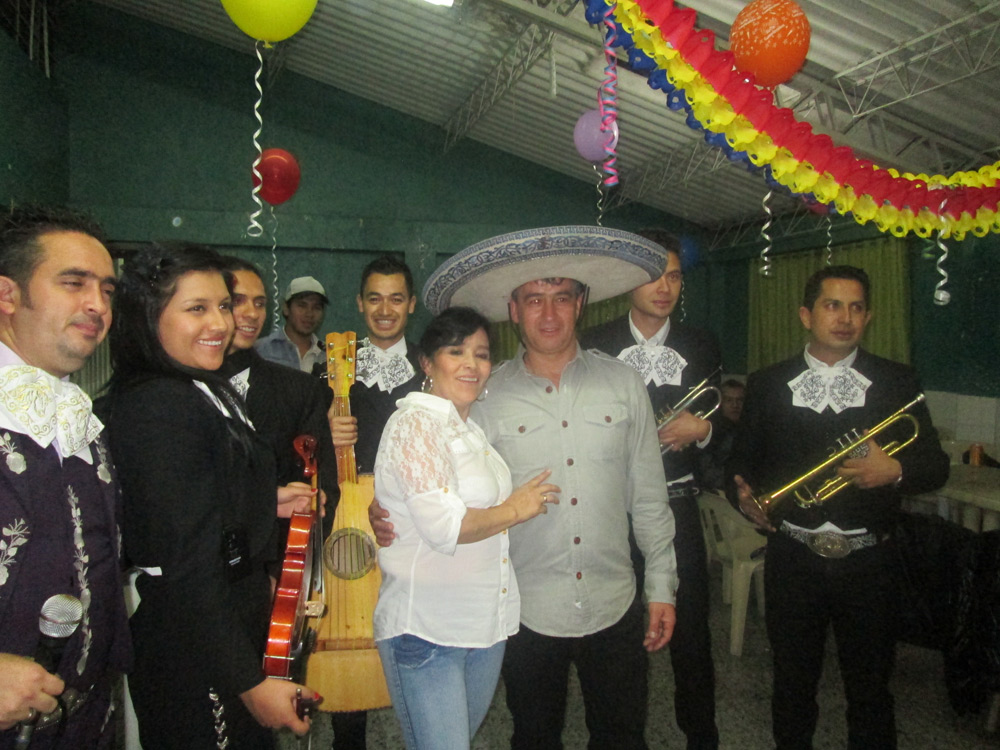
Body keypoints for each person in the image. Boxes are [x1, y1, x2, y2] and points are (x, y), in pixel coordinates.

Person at [380, 225, 681, 748]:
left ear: (580, 303)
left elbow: (650, 497)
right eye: (534, 299)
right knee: (534, 736)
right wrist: (386, 513)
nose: (548, 314)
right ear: (513, 310)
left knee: (622, 736)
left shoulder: (624, 384)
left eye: (561, 297)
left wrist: (662, 585)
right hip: (526, 609)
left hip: (614, 601)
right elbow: (429, 473)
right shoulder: (484, 394)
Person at [727, 264, 949, 749]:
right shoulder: (767, 382)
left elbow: (936, 466)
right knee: (791, 687)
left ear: (868, 317)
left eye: (855, 308)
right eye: (832, 305)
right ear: (807, 315)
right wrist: (743, 498)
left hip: (871, 561)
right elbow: (738, 463)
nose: (844, 317)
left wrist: (893, 471)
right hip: (793, 558)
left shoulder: (896, 379)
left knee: (871, 692)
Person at [104, 243, 316, 748]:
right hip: (194, 639)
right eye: (196, 308)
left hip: (225, 618)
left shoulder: (198, 385)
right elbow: (185, 564)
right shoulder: (158, 405)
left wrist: (267, 500)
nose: (221, 322)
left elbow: (201, 491)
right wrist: (250, 683)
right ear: (148, 317)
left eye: (224, 305)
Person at [373, 306, 559, 749]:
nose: (471, 365)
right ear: (427, 362)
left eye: (481, 354)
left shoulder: (469, 427)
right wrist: (516, 509)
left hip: (482, 626)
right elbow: (445, 528)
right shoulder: (415, 424)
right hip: (427, 630)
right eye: (456, 352)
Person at [580, 229, 721, 749]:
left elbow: (724, 423)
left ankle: (701, 736)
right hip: (611, 511)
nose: (664, 286)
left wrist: (702, 429)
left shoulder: (701, 343)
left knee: (691, 635)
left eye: (675, 276)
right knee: (619, 637)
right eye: (652, 275)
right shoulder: (594, 341)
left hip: (677, 503)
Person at [0, 205, 129, 749]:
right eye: (73, 283)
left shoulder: (82, 419)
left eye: (106, 289)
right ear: (7, 295)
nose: (97, 305)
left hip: (87, 722)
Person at [326, 254, 423, 749]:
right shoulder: (335, 372)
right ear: (360, 305)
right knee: (354, 631)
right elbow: (308, 454)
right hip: (353, 523)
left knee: (419, 646)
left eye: (396, 298)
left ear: (411, 304)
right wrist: (327, 431)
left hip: (418, 526)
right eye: (375, 298)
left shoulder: (430, 369)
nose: (385, 309)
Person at [220, 257, 338, 544]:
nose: (251, 313)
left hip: (275, 559)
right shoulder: (181, 387)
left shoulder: (299, 389)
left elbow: (320, 487)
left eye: (259, 303)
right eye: (238, 302)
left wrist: (289, 570)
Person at [255, 275, 328, 374]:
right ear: (286, 308)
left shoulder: (328, 356)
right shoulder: (261, 350)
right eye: (302, 306)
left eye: (316, 307)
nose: (309, 314)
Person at [696, 379, 745, 492]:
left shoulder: (750, 428)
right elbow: (708, 473)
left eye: (740, 400)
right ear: (720, 402)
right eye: (728, 400)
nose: (735, 405)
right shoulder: (709, 432)